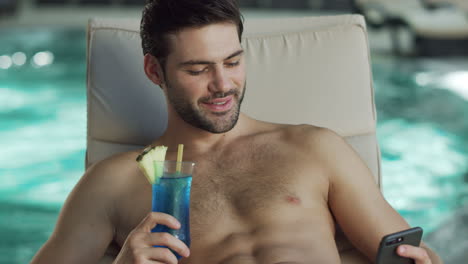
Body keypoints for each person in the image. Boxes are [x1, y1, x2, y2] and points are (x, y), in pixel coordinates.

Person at [31, 0, 443, 263]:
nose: (223, 85)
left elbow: (410, 252)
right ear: (154, 71)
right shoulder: (115, 181)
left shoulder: (314, 148)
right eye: (197, 69)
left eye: (232, 62)